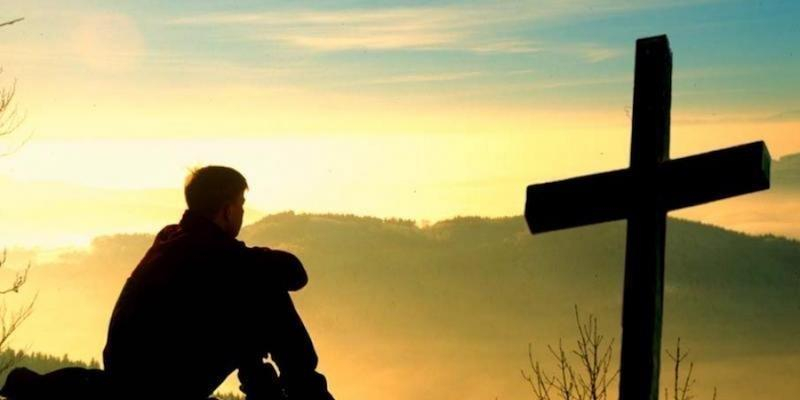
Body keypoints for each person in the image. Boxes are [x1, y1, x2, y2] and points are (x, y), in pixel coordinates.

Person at [102, 165, 334, 400]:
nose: (243, 212)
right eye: (241, 204)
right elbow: (296, 274)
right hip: (160, 385)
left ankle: (265, 385)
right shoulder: (218, 255)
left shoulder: (168, 237)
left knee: (245, 293)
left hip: (126, 373)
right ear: (227, 211)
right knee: (267, 291)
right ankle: (306, 390)